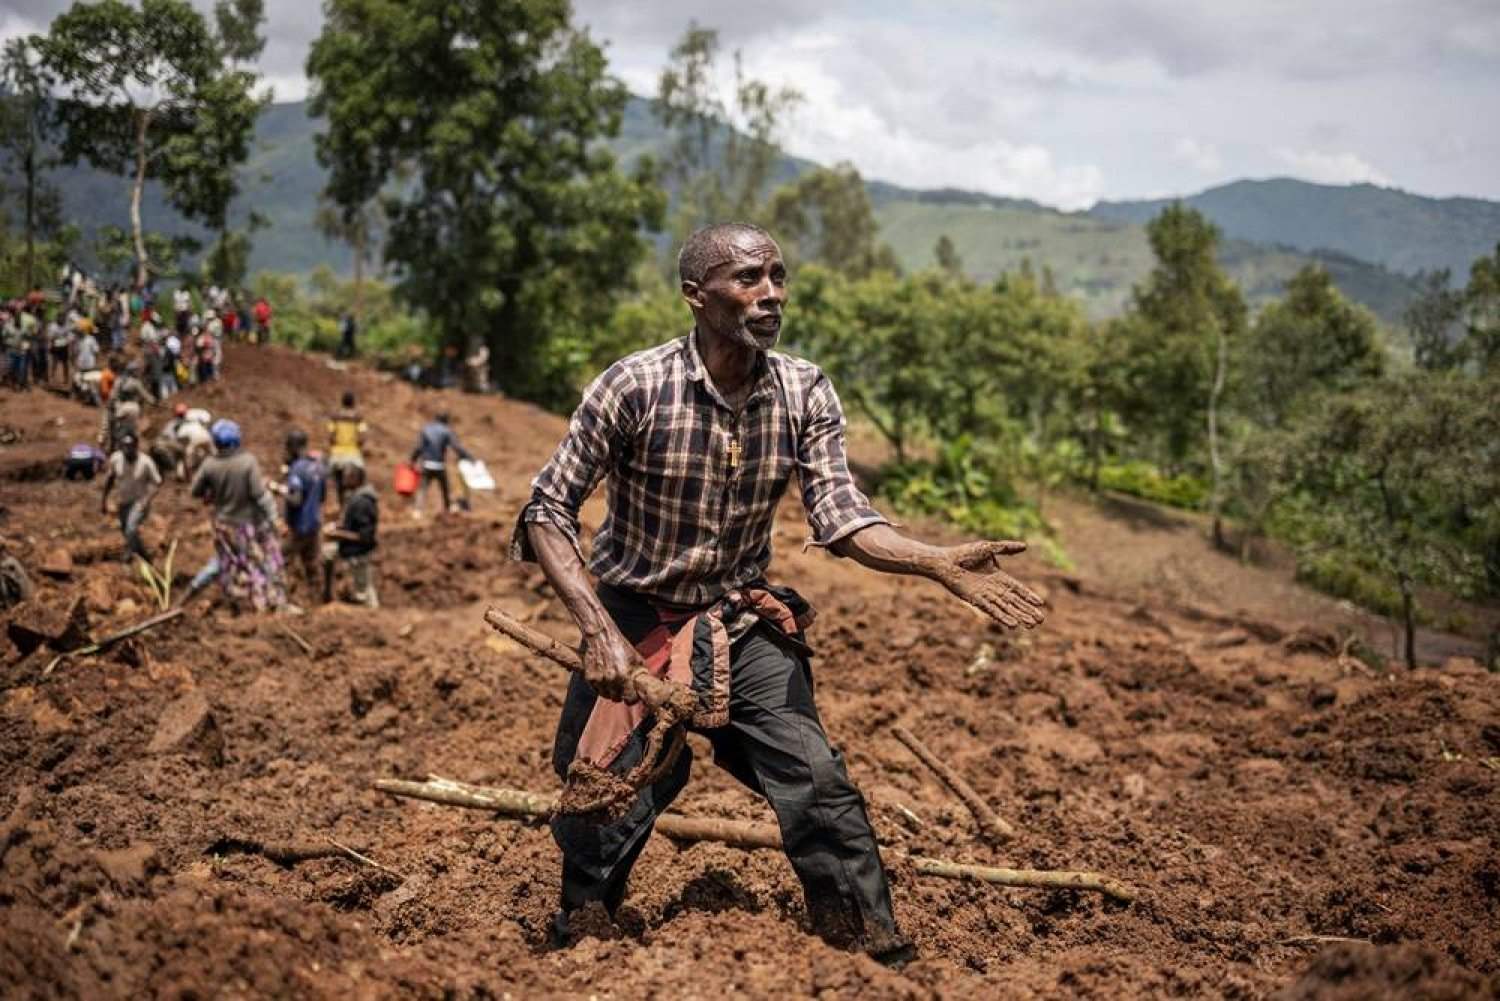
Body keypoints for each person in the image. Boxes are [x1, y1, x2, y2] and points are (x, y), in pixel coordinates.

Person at [512, 223, 1047, 963]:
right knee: (602, 793)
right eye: (749, 279)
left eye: (778, 276)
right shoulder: (633, 385)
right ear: (696, 296)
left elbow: (842, 515)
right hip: (632, 616)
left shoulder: (803, 388)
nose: (772, 294)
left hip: (737, 618)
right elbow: (547, 508)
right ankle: (584, 937)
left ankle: (869, 948)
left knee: (819, 782)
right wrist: (597, 630)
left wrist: (935, 562)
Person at [186, 419, 291, 612]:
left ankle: (235, 603)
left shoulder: (210, 465)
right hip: (247, 526)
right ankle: (266, 606)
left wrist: (211, 492)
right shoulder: (247, 462)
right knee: (259, 563)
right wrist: (275, 519)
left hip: (223, 525)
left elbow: (195, 491)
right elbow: (260, 496)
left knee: (228, 564)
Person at [322, 464, 379, 608]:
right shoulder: (357, 497)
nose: (343, 480)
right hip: (352, 549)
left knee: (364, 593)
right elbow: (353, 525)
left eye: (346, 477)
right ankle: (327, 594)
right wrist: (338, 527)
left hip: (358, 553)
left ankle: (373, 617)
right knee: (326, 554)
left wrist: (337, 534)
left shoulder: (362, 503)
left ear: (355, 479)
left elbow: (365, 537)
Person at [280, 429, 328, 598]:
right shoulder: (319, 466)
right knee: (312, 565)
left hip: (298, 526)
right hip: (314, 523)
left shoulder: (297, 469)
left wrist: (281, 491)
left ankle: (282, 598)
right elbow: (322, 497)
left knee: (281, 561)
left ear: (292, 446)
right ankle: (317, 600)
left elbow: (295, 500)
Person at [100, 431, 161, 564]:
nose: (127, 450)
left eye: (130, 446)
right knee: (126, 532)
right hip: (122, 502)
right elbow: (110, 479)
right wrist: (104, 500)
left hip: (139, 502)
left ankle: (145, 557)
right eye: (124, 446)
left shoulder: (146, 462)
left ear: (136, 446)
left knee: (131, 529)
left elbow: (156, 483)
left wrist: (147, 499)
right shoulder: (116, 458)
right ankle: (130, 553)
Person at [410, 411, 472, 516]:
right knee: (445, 488)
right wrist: (467, 457)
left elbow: (419, 447)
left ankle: (417, 511)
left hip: (426, 464)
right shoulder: (446, 431)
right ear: (445, 420)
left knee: (422, 489)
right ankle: (448, 508)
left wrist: (412, 459)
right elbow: (456, 446)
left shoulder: (426, 429)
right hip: (439, 465)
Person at [325, 391, 368, 507]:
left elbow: (330, 436)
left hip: (337, 454)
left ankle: (337, 504)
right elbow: (362, 436)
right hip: (352, 454)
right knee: (363, 476)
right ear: (353, 402)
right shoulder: (358, 417)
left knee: (333, 479)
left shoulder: (335, 416)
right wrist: (358, 445)